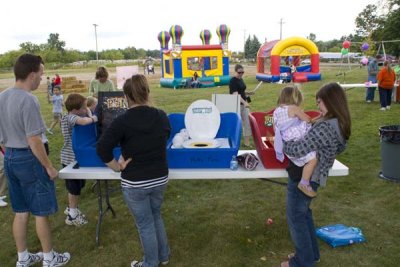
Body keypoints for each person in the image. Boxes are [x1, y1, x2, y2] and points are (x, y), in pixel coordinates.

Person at [0, 53, 70, 266]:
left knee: (20, 211)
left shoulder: (2, 96)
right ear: (31, 75)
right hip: (29, 158)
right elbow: (34, 140)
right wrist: (48, 166)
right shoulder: (29, 100)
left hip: (9, 157)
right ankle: (49, 258)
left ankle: (23, 258)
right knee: (40, 212)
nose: (42, 78)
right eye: (41, 73)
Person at [96, 74, 171, 267]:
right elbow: (166, 134)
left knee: (146, 223)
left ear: (126, 96)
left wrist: (116, 167)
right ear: (147, 92)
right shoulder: (161, 115)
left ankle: (150, 263)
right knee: (155, 216)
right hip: (160, 177)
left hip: (136, 182)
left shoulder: (123, 120)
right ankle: (163, 256)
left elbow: (102, 148)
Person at [280, 82, 351, 267]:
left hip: (303, 177)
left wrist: (282, 139)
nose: (318, 106)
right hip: (314, 176)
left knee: (296, 217)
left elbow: (296, 149)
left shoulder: (325, 127)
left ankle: (302, 262)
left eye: (320, 102)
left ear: (330, 102)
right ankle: (311, 255)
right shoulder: (335, 123)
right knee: (303, 214)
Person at [273, 86, 318, 198]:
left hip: (287, 145)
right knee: (313, 159)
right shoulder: (293, 108)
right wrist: (319, 118)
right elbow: (308, 120)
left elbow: (276, 129)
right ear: (296, 98)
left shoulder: (276, 111)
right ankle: (304, 183)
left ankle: (302, 178)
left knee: (302, 161)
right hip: (296, 143)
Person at [61, 93, 98, 226]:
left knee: (78, 185)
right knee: (74, 188)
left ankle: (71, 208)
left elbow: (86, 114)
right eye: (83, 108)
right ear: (76, 110)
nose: (86, 110)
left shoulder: (74, 114)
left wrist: (87, 109)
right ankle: (72, 215)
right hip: (69, 159)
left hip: (74, 158)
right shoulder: (71, 118)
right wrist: (94, 118)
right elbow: (84, 121)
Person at [229, 64, 252, 147]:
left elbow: (241, 91)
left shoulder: (241, 79)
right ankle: (233, 142)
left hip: (244, 104)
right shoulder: (233, 81)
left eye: (242, 72)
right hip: (236, 105)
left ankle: (247, 142)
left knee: (247, 122)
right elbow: (235, 94)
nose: (241, 74)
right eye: (239, 72)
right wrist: (245, 102)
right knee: (237, 124)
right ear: (235, 72)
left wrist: (248, 93)